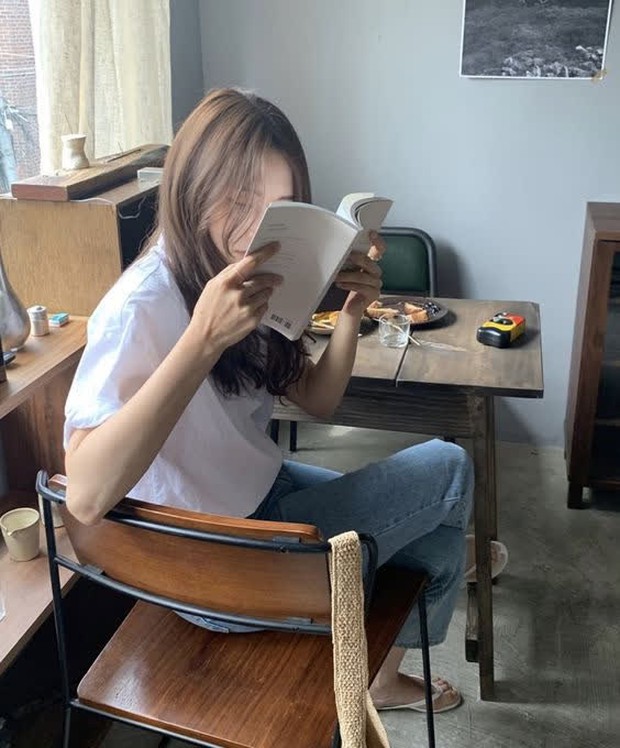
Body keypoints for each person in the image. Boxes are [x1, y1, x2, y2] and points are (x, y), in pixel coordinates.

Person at [63, 87, 474, 714]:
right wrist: (202, 341)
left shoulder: (247, 273)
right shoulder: (142, 304)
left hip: (259, 496)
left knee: (443, 549)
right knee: (450, 466)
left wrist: (352, 312)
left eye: (276, 208)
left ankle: (381, 681)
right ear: (191, 191)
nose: (255, 228)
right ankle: (365, 651)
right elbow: (86, 496)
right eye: (237, 200)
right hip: (212, 562)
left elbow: (318, 400)